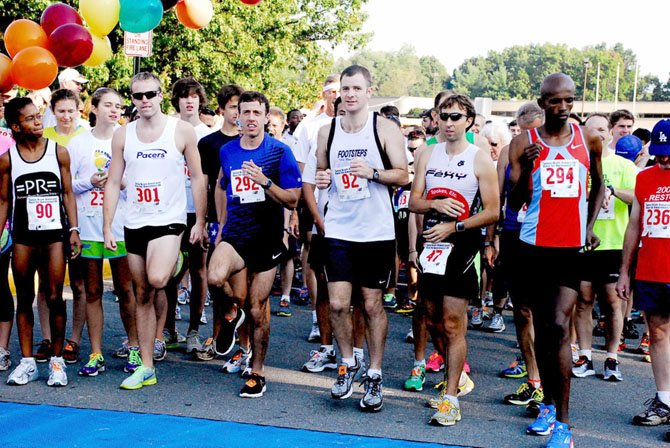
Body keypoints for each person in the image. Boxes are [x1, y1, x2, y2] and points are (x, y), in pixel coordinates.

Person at [509, 73, 604, 447]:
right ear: (542, 102)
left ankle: (563, 423)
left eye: (568, 100)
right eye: (554, 101)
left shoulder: (589, 139)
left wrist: (589, 226)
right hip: (533, 247)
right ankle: (547, 402)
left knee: (561, 328)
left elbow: (599, 185)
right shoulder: (524, 142)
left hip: (570, 249)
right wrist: (530, 168)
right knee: (546, 330)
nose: (562, 108)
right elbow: (513, 203)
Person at [103, 72, 207, 390]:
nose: (145, 99)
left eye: (150, 93)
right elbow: (112, 181)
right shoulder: (123, 135)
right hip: (135, 221)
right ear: (132, 100)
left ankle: (174, 262)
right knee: (142, 294)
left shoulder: (182, 130)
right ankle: (146, 366)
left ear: (161, 95)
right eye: (138, 95)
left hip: (169, 219)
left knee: (158, 279)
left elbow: (199, 177)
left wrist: (200, 220)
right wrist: (108, 225)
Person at [315, 65, 408, 412]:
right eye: (345, 88)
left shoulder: (383, 129)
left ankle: (375, 372)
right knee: (338, 304)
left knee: (371, 305)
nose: (350, 94)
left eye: (356, 88)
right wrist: (324, 180)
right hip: (340, 227)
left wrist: (373, 173)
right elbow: (322, 171)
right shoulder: (327, 132)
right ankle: (347, 362)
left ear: (370, 92)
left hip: (376, 232)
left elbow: (403, 175)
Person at [409, 94, 499, 425]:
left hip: (462, 243)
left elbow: (493, 210)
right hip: (431, 241)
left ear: (469, 121)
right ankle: (457, 376)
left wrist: (456, 224)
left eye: (456, 117)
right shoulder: (426, 153)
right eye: (444, 116)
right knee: (430, 317)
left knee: (452, 321)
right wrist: (435, 208)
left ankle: (450, 399)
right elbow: (414, 201)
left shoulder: (480, 158)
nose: (448, 122)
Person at [208, 90, 301, 398]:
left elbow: (293, 198)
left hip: (268, 237)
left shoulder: (279, 151)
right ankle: (232, 314)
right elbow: (222, 186)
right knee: (214, 277)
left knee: (259, 307)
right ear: (237, 117)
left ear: (265, 117)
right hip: (236, 233)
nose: (249, 118)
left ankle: (258, 371)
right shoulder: (228, 150)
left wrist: (265, 181)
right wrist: (221, 224)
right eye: (244, 113)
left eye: (255, 113)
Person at [2, 97, 81, 387]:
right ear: (15, 126)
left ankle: (57, 361)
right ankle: (27, 362)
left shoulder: (58, 151)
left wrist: (74, 229)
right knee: (23, 297)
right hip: (23, 236)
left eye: (39, 116)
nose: (38, 122)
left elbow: (68, 193)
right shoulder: (8, 158)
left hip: (53, 236)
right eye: (31, 118)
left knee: (54, 295)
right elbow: (3, 200)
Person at [68, 88, 140, 376]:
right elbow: (68, 186)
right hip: (88, 226)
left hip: (121, 227)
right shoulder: (78, 142)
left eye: (119, 106)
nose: (114, 110)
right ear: (93, 108)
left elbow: (139, 184)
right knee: (93, 291)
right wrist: (90, 181)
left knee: (125, 289)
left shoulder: (129, 139)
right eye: (108, 105)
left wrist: (119, 183)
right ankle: (95, 353)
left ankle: (134, 346)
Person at [572, 113, 638, 383]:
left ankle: (612, 358)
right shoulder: (578, 163)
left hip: (613, 244)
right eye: (591, 130)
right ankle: (585, 356)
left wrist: (611, 189)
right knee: (583, 301)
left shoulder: (623, 165)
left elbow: (638, 197)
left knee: (613, 304)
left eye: (601, 129)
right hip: (584, 242)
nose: (597, 134)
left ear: (610, 132)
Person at [616, 119, 670, 441]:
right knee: (658, 333)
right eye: (659, 154)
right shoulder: (645, 178)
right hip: (651, 270)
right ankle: (664, 401)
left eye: (669, 155)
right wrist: (625, 270)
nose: (663, 160)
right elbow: (634, 225)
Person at [194, 84, 244, 363]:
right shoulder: (208, 144)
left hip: (246, 221)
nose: (238, 113)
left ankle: (243, 346)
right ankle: (216, 336)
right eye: (233, 107)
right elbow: (203, 183)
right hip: (216, 219)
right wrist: (201, 222)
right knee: (215, 281)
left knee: (242, 286)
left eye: (242, 107)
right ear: (221, 110)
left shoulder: (255, 140)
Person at [39, 88, 88, 366]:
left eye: (71, 110)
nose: (66, 116)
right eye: (61, 111)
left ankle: (75, 340)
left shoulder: (86, 137)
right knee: (46, 282)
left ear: (79, 110)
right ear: (53, 112)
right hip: (47, 218)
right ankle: (47, 339)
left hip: (81, 216)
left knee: (79, 283)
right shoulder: (44, 137)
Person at [167, 77, 214, 354]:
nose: (189, 100)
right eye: (184, 96)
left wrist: (205, 217)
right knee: (170, 271)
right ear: (177, 100)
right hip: (172, 211)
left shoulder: (209, 134)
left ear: (200, 100)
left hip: (198, 211)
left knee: (199, 270)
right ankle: (169, 328)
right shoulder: (168, 129)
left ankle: (194, 331)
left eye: (194, 96)